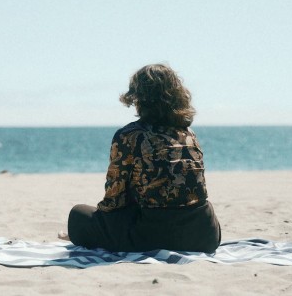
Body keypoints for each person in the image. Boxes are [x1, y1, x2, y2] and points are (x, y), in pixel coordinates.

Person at [61, 64, 221, 253]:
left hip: (155, 235)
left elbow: (114, 201)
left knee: (78, 215)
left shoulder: (130, 135)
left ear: (138, 96)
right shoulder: (189, 134)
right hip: (206, 234)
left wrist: (99, 222)